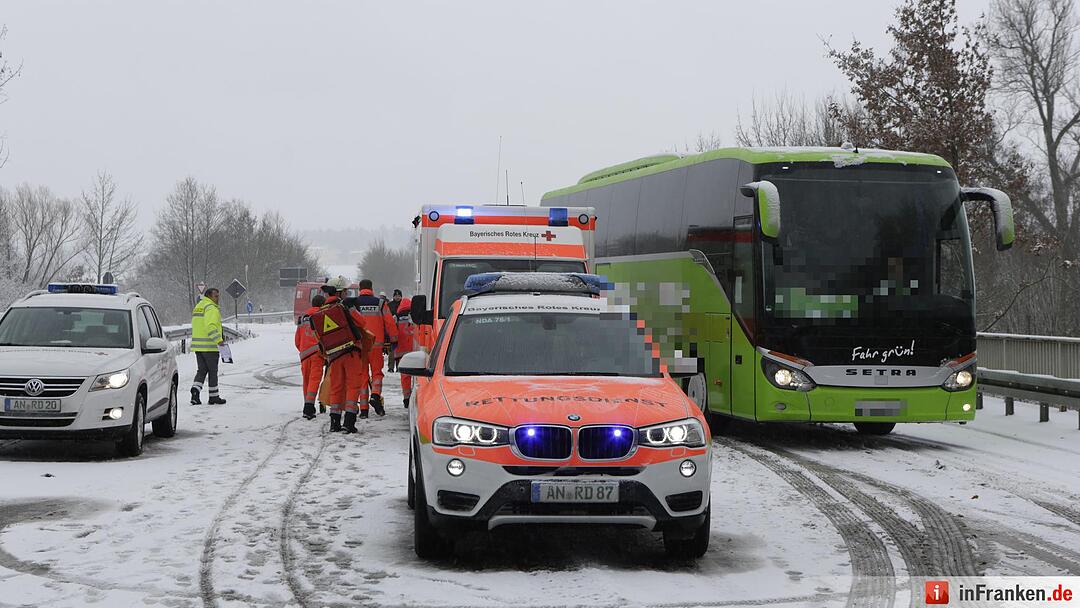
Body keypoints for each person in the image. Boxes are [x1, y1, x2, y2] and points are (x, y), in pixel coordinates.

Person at [312, 278, 373, 433]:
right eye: (345, 291)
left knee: (336, 387)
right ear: (339, 292)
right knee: (353, 386)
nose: (347, 293)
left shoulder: (321, 311)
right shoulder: (345, 306)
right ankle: (349, 422)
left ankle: (334, 423)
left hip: (333, 356)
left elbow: (318, 336)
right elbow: (362, 322)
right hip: (351, 352)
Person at [352, 279, 398, 416]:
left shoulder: (354, 304)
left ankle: (364, 409)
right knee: (377, 373)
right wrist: (394, 339)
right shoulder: (380, 303)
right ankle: (375, 395)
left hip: (360, 346)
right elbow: (389, 322)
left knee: (362, 375)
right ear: (371, 289)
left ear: (360, 289)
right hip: (376, 345)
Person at [191, 287, 226, 405]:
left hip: (198, 346)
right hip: (210, 346)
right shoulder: (211, 308)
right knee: (212, 372)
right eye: (216, 296)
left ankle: (195, 391)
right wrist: (219, 340)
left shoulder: (199, 306)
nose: (218, 298)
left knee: (201, 370)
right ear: (209, 296)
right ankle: (213, 397)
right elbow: (210, 326)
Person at [295, 294, 326, 420]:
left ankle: (307, 404)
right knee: (314, 380)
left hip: (304, 354)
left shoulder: (303, 318)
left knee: (306, 381)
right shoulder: (322, 315)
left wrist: (303, 349)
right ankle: (309, 407)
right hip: (317, 353)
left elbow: (297, 340)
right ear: (322, 305)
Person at [393, 297, 417, 407]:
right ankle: (417, 397)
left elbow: (393, 332)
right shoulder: (416, 316)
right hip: (415, 350)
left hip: (402, 351)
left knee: (405, 376)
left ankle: (406, 398)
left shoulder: (396, 317)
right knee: (418, 376)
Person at [386, 289, 403, 373]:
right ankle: (391, 367)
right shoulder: (389, 305)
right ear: (393, 296)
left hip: (401, 330)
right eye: (396, 296)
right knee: (392, 349)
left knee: (400, 349)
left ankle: (399, 366)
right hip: (392, 329)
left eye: (399, 296)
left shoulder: (403, 305)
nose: (397, 297)